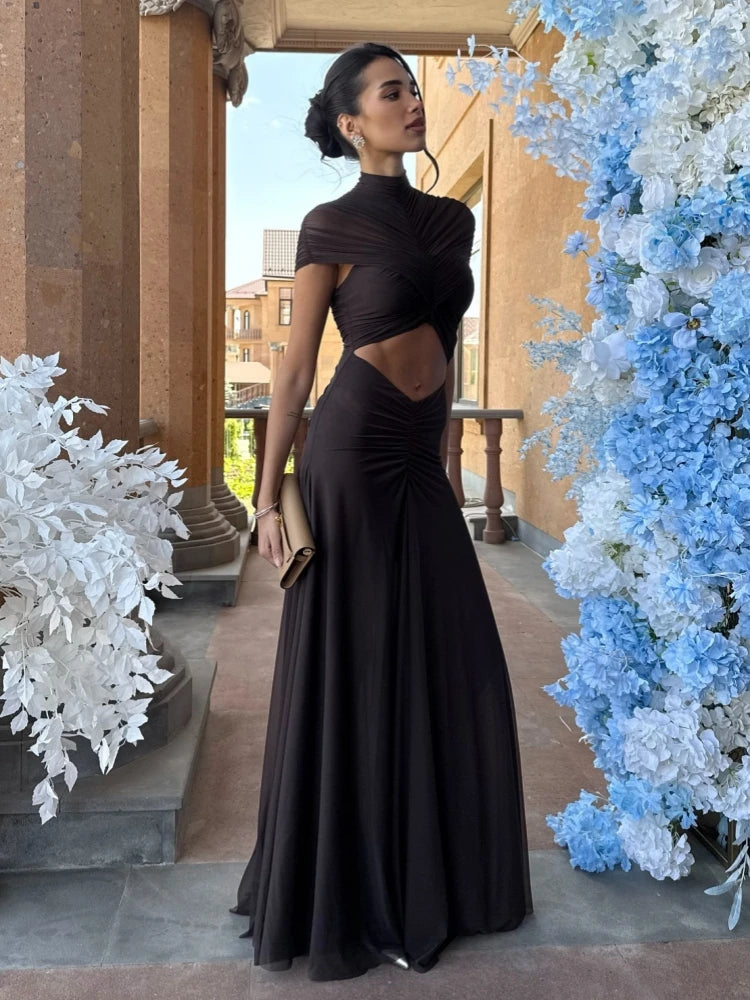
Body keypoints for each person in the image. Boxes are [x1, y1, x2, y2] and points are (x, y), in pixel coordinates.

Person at [231, 41, 532, 982]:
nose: (411, 102)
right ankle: (355, 897)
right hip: (352, 454)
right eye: (390, 92)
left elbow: (444, 348)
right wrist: (266, 495)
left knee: (460, 660)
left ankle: (434, 881)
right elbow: (292, 373)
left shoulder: (453, 222)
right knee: (356, 660)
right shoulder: (329, 224)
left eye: (413, 88)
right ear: (352, 122)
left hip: (417, 455)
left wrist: (444, 465)